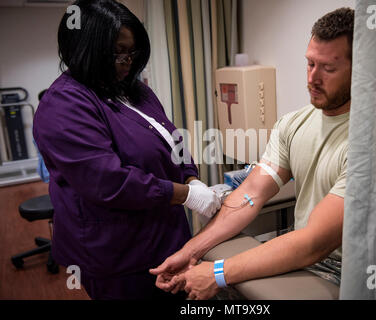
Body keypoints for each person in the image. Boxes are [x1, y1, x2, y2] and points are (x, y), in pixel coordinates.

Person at [150, 7, 354, 300]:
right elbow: (251, 195)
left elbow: (313, 244)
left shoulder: (368, 141)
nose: (312, 78)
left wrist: (217, 273)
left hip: (341, 273)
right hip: (302, 261)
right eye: (309, 63)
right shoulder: (293, 124)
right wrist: (189, 252)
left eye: (328, 69)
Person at [33, 0, 220, 300]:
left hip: (165, 236)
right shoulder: (64, 105)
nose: (127, 61)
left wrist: (190, 178)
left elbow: (172, 138)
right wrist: (186, 195)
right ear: (84, 47)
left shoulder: (136, 90)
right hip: (117, 254)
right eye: (117, 52)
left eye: (132, 52)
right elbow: (109, 182)